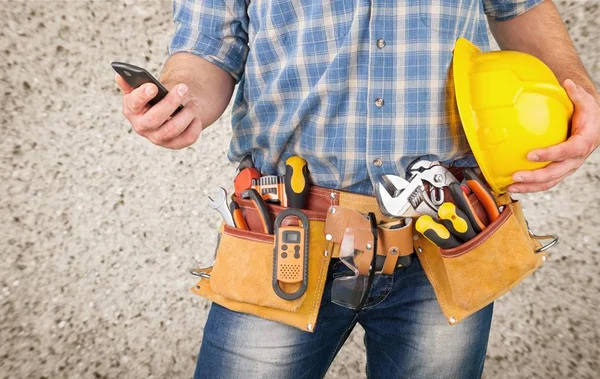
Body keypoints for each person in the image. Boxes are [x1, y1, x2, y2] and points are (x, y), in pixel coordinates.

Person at [115, 0, 600, 377]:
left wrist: (579, 93)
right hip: (285, 239)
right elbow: (206, 48)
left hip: (444, 238)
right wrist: (179, 102)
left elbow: (521, 7)